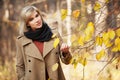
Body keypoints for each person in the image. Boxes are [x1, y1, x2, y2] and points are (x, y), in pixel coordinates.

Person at [16, 5, 72, 80]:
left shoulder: (54, 34)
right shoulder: (21, 41)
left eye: (37, 15)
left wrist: (65, 53)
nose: (37, 20)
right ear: (27, 24)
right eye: (31, 19)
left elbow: (67, 61)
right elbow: (20, 66)